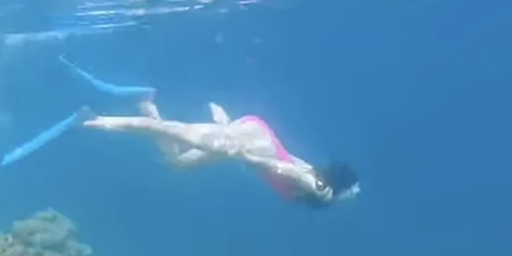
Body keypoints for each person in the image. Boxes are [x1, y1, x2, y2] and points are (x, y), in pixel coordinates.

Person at [83, 97, 360, 208]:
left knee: (177, 163)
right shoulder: (320, 189)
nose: (351, 197)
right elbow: (283, 168)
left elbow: (288, 161)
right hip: (246, 146)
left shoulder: (316, 178)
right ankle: (100, 121)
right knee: (169, 130)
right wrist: (249, 157)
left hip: (253, 137)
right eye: (350, 192)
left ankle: (150, 111)